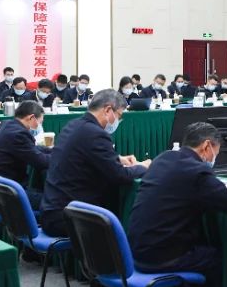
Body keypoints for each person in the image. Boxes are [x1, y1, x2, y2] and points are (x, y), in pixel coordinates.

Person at [127, 122, 227, 287]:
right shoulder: (197, 172)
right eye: (216, 152)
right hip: (162, 257)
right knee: (220, 259)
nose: (214, 158)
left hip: (135, 252)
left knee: (201, 245)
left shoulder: (163, 158)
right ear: (206, 146)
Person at [39, 90, 149, 236]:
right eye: (119, 115)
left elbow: (86, 155)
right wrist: (143, 167)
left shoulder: (74, 125)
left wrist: (118, 158)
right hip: (69, 218)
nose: (118, 120)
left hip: (53, 210)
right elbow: (120, 175)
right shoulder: (95, 133)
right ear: (108, 110)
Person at [0, 101, 52, 209]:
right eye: (39, 122)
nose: (39, 126)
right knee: (54, 202)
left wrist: (55, 151)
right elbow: (41, 162)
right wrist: (61, 157)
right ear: (31, 118)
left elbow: (32, 149)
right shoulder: (19, 134)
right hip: (5, 194)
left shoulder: (7, 125)